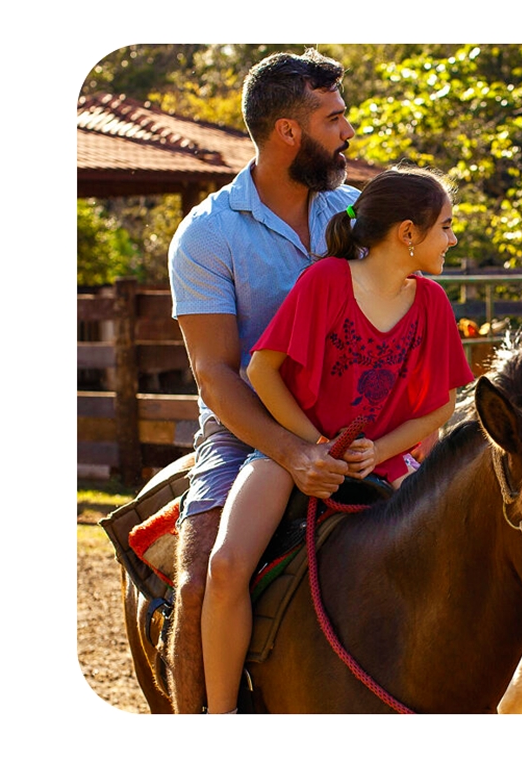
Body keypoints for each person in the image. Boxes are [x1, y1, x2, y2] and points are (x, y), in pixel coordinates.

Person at [199, 167, 475, 714]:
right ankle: (220, 717)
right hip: (291, 453)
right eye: (446, 225)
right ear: (408, 233)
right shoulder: (325, 281)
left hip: (384, 465)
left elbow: (443, 403)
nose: (453, 237)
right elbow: (263, 372)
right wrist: (312, 446)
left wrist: (386, 447)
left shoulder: (433, 303)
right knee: (226, 564)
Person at [165, 49, 365, 714]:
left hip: (357, 419)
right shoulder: (208, 233)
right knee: (200, 581)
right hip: (243, 429)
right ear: (289, 132)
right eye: (334, 118)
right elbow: (216, 376)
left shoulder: (358, 215)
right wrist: (293, 452)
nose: (348, 131)